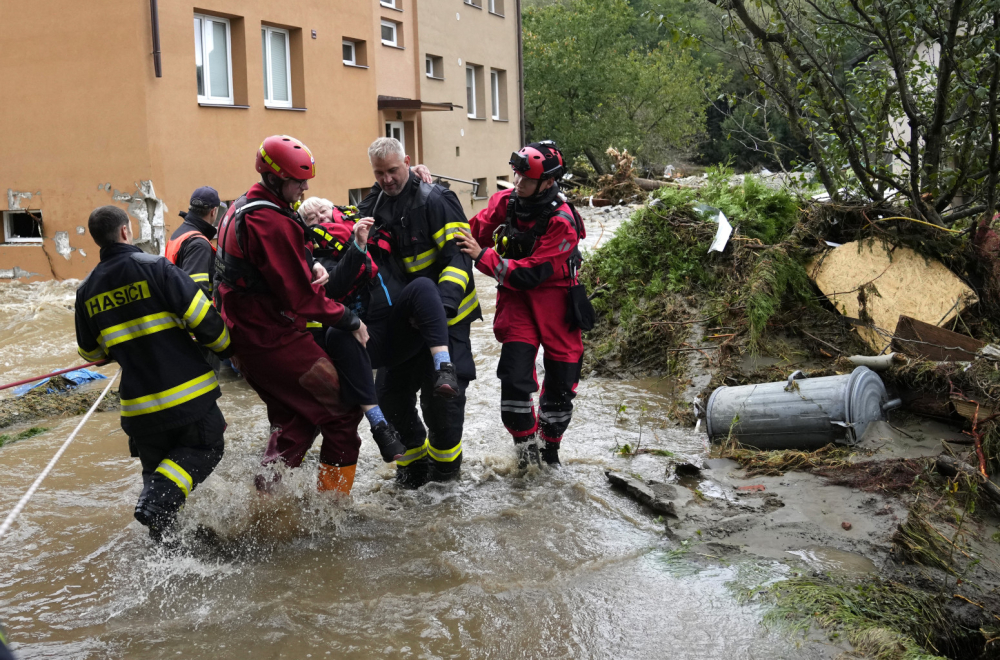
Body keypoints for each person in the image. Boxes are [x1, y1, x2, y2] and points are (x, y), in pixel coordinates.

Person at [214, 135, 403, 494]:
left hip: (246, 334)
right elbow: (301, 299)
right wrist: (350, 319)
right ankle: (331, 508)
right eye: (297, 181)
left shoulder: (243, 206)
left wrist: (311, 263)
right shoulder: (270, 221)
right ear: (273, 178)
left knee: (296, 417)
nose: (304, 188)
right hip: (270, 338)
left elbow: (264, 268)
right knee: (343, 411)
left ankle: (265, 498)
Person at [75, 205, 234, 541]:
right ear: (124, 232)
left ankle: (165, 553)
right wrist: (227, 348)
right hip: (188, 397)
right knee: (207, 447)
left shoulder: (86, 290)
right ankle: (157, 501)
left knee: (157, 472)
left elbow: (92, 353)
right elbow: (202, 317)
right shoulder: (157, 268)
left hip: (139, 410)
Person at [357, 137, 481, 487]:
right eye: (379, 173)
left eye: (393, 171)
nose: (387, 179)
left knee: (442, 403)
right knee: (390, 397)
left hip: (447, 319)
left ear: (408, 162)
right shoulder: (375, 203)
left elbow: (458, 260)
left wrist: (440, 308)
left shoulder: (437, 199)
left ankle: (445, 480)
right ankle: (412, 470)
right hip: (403, 323)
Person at [455, 141, 585, 468]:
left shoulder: (563, 221)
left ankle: (550, 450)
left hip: (556, 300)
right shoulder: (507, 201)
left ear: (548, 181)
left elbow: (533, 273)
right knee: (513, 379)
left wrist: (484, 257)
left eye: (526, 180)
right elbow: (473, 231)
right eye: (517, 176)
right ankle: (526, 454)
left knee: (560, 386)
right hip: (517, 301)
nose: (518, 184)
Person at [165, 186, 224, 297]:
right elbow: (196, 294)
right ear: (213, 211)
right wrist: (212, 314)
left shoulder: (179, 234)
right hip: (199, 313)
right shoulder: (199, 244)